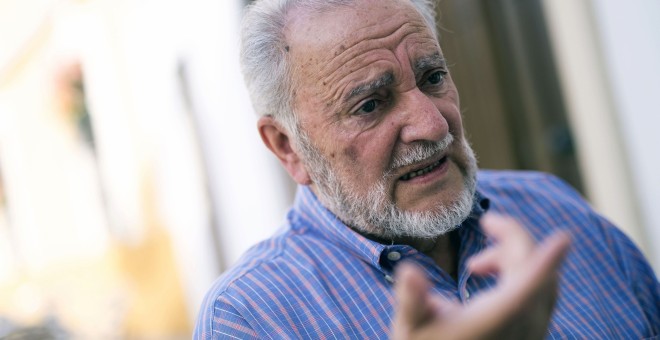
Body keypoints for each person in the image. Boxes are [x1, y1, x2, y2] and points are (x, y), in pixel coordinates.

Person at [195, 0, 660, 338]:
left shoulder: (554, 210)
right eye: (370, 105)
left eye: (433, 77)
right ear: (287, 147)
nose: (432, 124)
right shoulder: (251, 319)